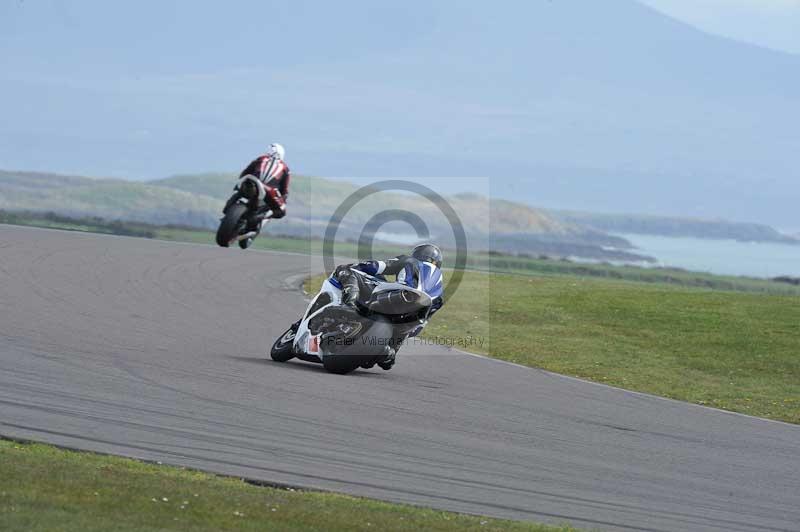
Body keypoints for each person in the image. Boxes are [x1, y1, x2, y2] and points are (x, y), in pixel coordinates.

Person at [332, 243, 445, 369]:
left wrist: (357, 266)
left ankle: (349, 305)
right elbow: (418, 327)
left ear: (417, 254)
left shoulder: (409, 260)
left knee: (345, 269)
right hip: (410, 320)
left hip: (400, 297)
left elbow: (378, 266)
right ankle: (387, 353)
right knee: (379, 362)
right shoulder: (440, 294)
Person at [228, 143, 290, 221]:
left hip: (252, 181)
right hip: (269, 190)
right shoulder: (285, 168)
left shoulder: (261, 158)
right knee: (282, 212)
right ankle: (262, 217)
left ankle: (229, 206)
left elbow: (245, 172)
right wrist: (283, 198)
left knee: (238, 189)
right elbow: (284, 189)